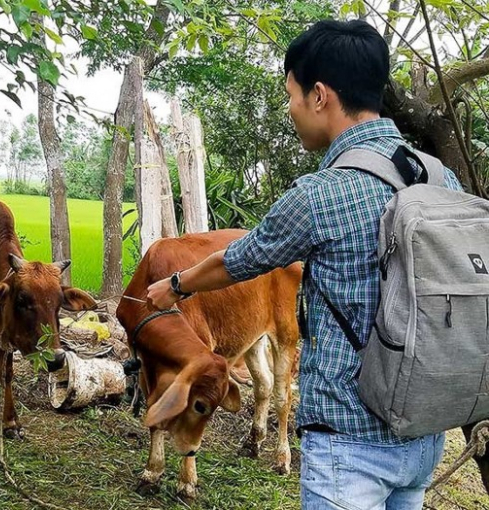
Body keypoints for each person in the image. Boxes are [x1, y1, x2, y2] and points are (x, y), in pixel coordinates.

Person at [146, 19, 462, 510]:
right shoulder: (441, 179)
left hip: (348, 446)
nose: (290, 109)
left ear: (320, 96)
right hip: (424, 434)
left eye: (291, 94)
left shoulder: (320, 194)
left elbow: (240, 260)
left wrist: (176, 285)